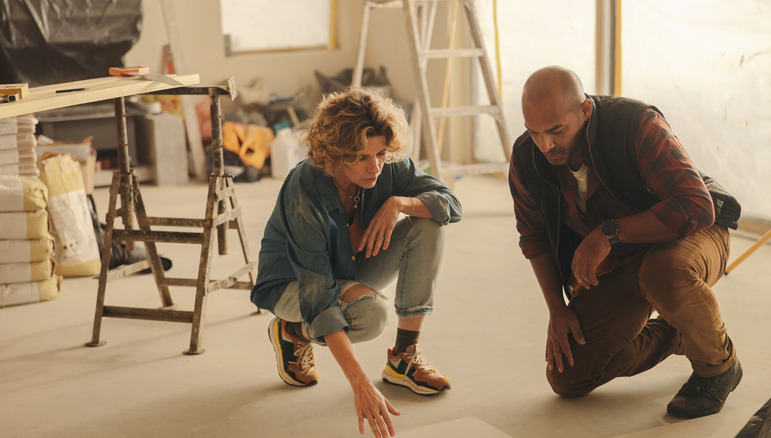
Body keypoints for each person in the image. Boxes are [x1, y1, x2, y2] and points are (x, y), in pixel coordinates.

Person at [508, 66, 743, 419]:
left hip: (695, 232)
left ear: (584, 111)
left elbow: (696, 207)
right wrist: (557, 308)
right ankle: (681, 332)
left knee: (664, 271)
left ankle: (717, 367)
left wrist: (608, 233)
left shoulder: (635, 124)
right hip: (627, 254)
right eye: (534, 131)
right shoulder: (528, 157)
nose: (545, 145)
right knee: (568, 376)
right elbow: (534, 236)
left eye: (556, 131)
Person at [251, 87, 461, 437]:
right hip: (294, 284)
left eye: (380, 153)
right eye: (362, 157)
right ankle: (291, 331)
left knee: (428, 220)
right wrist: (359, 383)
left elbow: (450, 203)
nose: (375, 166)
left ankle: (403, 357)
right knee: (371, 316)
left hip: (351, 269)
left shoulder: (388, 168)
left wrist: (400, 204)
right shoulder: (304, 188)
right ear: (336, 154)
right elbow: (318, 296)